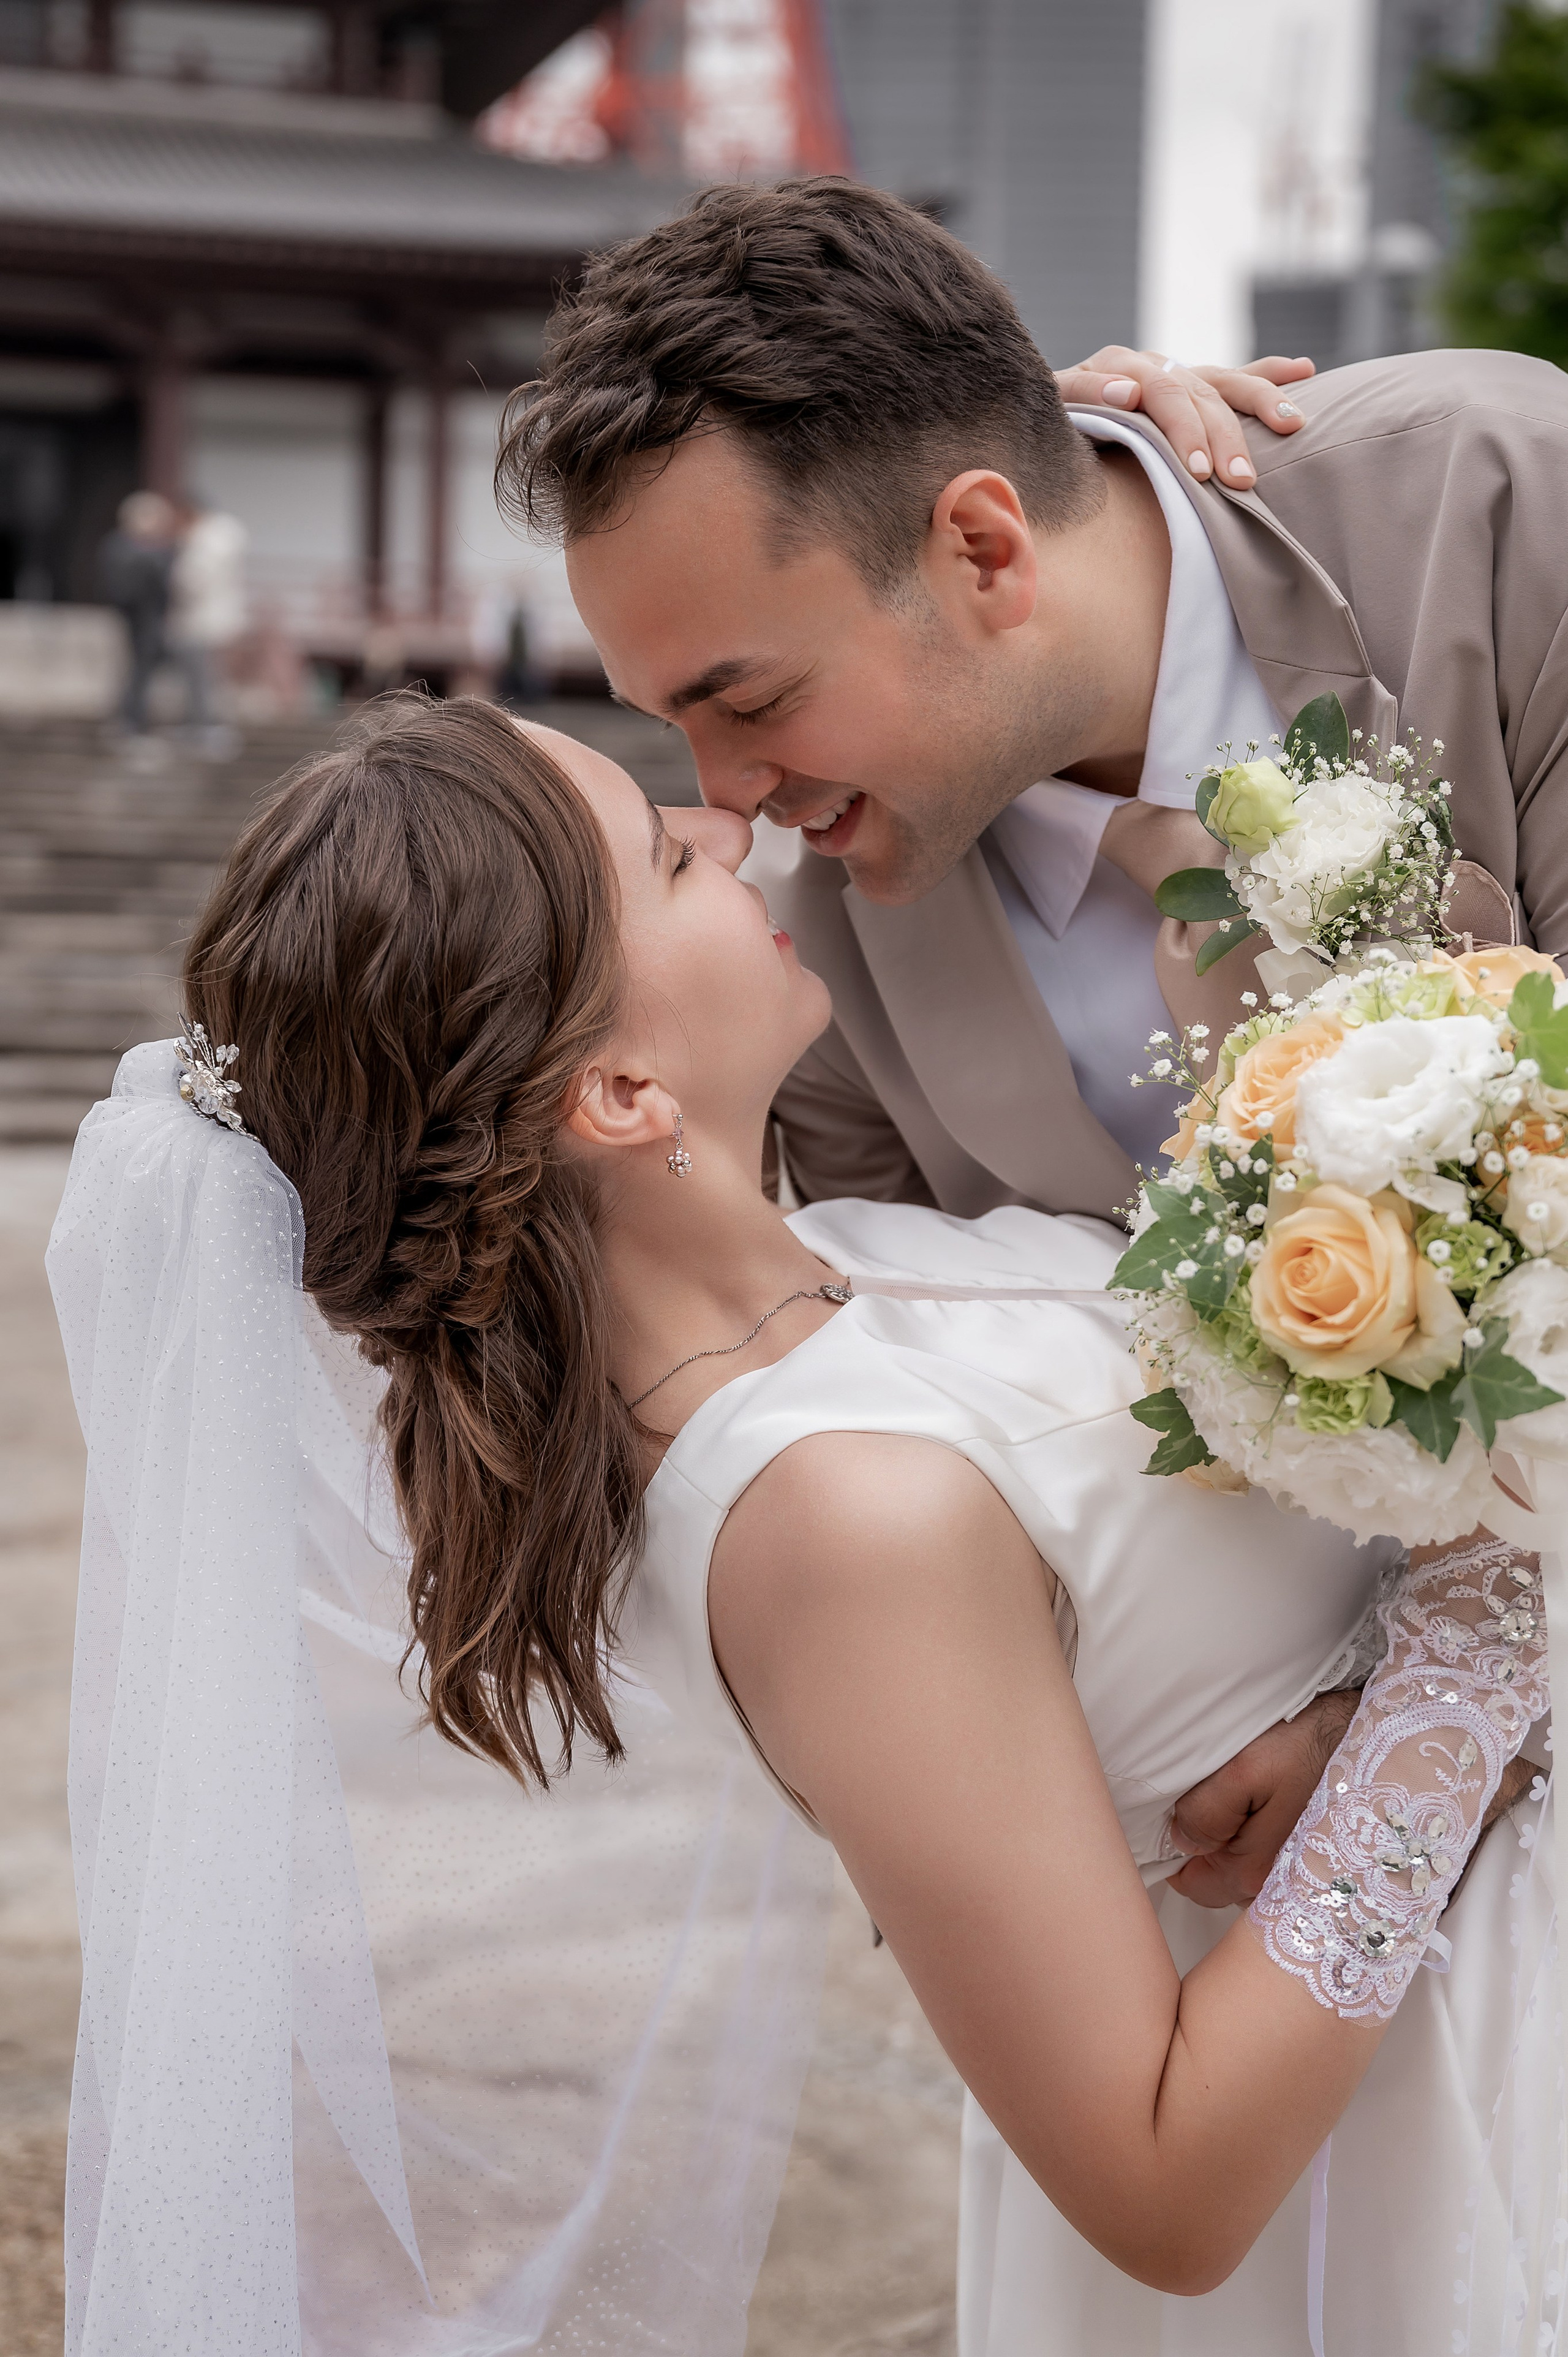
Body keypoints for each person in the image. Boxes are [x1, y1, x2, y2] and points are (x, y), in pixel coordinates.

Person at [53, 695, 1558, 2355]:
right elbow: (1164, 2180)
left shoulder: (840, 1258)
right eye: (659, 852)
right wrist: (1472, 1644)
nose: (725, 831)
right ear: (621, 1088)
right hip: (1407, 2158)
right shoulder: (834, 1520)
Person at [501, 177, 1559, 1230]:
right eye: (667, 721)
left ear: (983, 551)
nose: (724, 805)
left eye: (754, 699)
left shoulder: (1508, 507)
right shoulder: (816, 957)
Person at [168, 497, 247, 751]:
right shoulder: (226, 539)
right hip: (223, 621)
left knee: (202, 680)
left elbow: (191, 582)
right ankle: (211, 727)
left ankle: (204, 727)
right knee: (215, 679)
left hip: (201, 623)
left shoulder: (203, 544)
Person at [94, 488, 176, 735]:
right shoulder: (128, 548)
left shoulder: (144, 548)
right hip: (134, 616)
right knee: (135, 670)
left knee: (143, 670)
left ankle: (134, 718)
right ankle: (130, 720)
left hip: (148, 616)